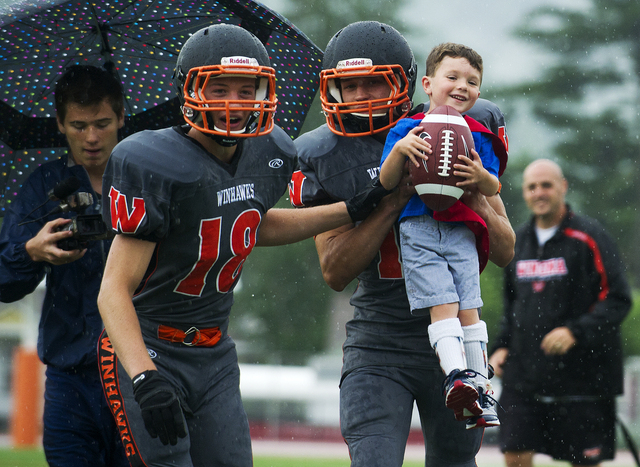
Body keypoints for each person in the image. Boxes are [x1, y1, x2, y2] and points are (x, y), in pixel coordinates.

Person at [96, 23, 386, 467]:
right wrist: (143, 376)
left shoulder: (269, 151)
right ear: (191, 90)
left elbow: (251, 223)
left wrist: (350, 209)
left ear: (263, 92)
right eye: (220, 88)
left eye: (245, 89)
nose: (234, 102)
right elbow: (113, 290)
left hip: (215, 352)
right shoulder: (154, 162)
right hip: (152, 345)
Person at [291, 21, 515, 467]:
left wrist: (474, 196)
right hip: (379, 342)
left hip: (452, 336)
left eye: (372, 83)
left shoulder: (453, 127)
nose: (360, 96)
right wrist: (393, 199)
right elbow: (335, 271)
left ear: (406, 82)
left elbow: (506, 251)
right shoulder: (324, 152)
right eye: (349, 86)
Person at [0, 65, 129, 466]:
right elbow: (4, 282)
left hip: (139, 369)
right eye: (78, 125)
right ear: (59, 123)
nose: (91, 137)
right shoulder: (45, 186)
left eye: (102, 124)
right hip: (70, 376)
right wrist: (31, 251)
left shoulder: (149, 177)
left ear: (121, 117)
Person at [378, 42, 507, 428]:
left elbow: (493, 186)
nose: (462, 86)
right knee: (444, 303)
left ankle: (479, 388)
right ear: (428, 84)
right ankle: (456, 376)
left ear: (479, 91)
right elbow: (385, 181)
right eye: (452, 77)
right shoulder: (407, 129)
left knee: (470, 308)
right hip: (418, 227)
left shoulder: (478, 134)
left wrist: (481, 177)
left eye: (472, 81)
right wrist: (400, 151)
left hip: (462, 229)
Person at [489, 159, 632, 467]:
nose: (539, 192)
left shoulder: (590, 236)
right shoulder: (518, 242)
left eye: (546, 185)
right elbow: (512, 307)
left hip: (582, 377)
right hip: (524, 376)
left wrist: (575, 332)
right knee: (514, 454)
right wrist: (500, 347)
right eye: (531, 187)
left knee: (584, 462)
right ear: (524, 192)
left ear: (563, 187)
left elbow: (618, 299)